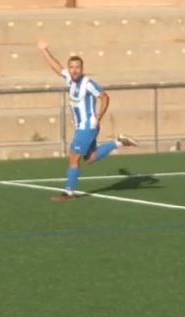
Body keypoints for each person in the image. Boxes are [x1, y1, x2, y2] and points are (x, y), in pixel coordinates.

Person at [37, 40, 137, 201]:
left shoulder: (88, 83)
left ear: (82, 69)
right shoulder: (70, 79)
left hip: (88, 126)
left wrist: (99, 117)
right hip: (81, 127)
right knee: (90, 158)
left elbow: (104, 97)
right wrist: (44, 51)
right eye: (71, 67)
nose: (74, 70)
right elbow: (57, 68)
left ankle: (69, 193)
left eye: (77, 67)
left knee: (74, 156)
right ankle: (119, 142)